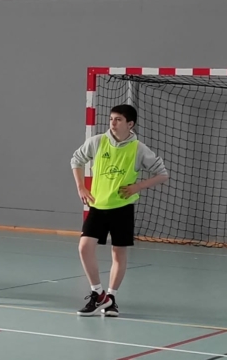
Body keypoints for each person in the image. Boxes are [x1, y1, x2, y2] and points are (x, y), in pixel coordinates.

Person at [71, 104, 169, 317]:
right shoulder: (97, 141)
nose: (113, 123)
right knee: (84, 247)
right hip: (98, 205)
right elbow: (76, 160)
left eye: (118, 120)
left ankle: (111, 299)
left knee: (118, 253)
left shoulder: (138, 149)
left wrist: (137, 186)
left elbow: (162, 174)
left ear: (130, 124)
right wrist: (81, 186)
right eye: (111, 119)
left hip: (122, 208)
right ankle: (98, 294)